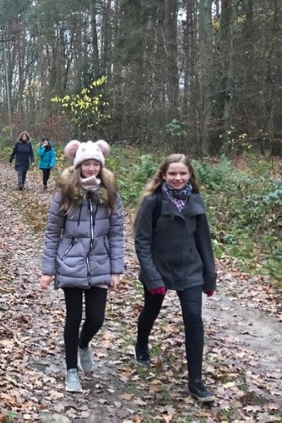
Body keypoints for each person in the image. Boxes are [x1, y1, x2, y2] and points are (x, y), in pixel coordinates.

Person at [39, 140, 124, 392]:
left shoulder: (110, 194)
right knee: (73, 318)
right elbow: (52, 233)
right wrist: (48, 270)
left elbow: (117, 234)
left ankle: (83, 344)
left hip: (100, 264)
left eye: (95, 163)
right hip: (70, 264)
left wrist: (116, 270)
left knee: (96, 319)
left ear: (101, 165)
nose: (91, 168)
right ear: (78, 165)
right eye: (86, 163)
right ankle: (71, 371)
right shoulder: (66, 193)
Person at [133, 154, 217, 403]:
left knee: (194, 319)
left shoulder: (196, 200)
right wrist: (152, 277)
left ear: (190, 175)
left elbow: (204, 241)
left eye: (182, 173)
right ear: (163, 175)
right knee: (151, 310)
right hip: (159, 268)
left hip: (190, 269)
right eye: (172, 173)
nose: (177, 178)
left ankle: (196, 382)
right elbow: (142, 242)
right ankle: (141, 344)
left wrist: (209, 277)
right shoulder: (153, 202)